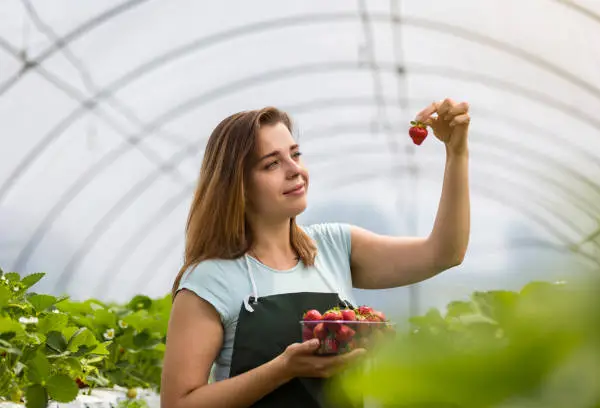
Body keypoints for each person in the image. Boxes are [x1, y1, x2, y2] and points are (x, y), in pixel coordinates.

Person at [160, 99, 471, 408]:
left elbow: (444, 253)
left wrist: (456, 153)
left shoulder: (335, 247)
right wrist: (283, 369)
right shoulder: (210, 279)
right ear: (238, 186)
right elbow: (177, 404)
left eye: (295, 155)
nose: (295, 170)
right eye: (272, 163)